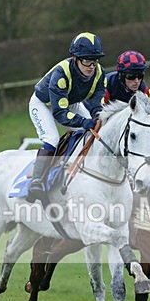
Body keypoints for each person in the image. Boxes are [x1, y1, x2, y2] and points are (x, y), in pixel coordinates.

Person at [26, 32, 106, 202]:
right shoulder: (61, 73)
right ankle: (37, 182)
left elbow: (96, 102)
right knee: (52, 138)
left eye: (95, 60)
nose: (91, 66)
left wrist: (97, 116)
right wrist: (83, 121)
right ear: (75, 58)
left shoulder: (99, 73)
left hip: (70, 102)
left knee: (95, 131)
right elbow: (60, 113)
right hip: (44, 104)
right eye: (86, 60)